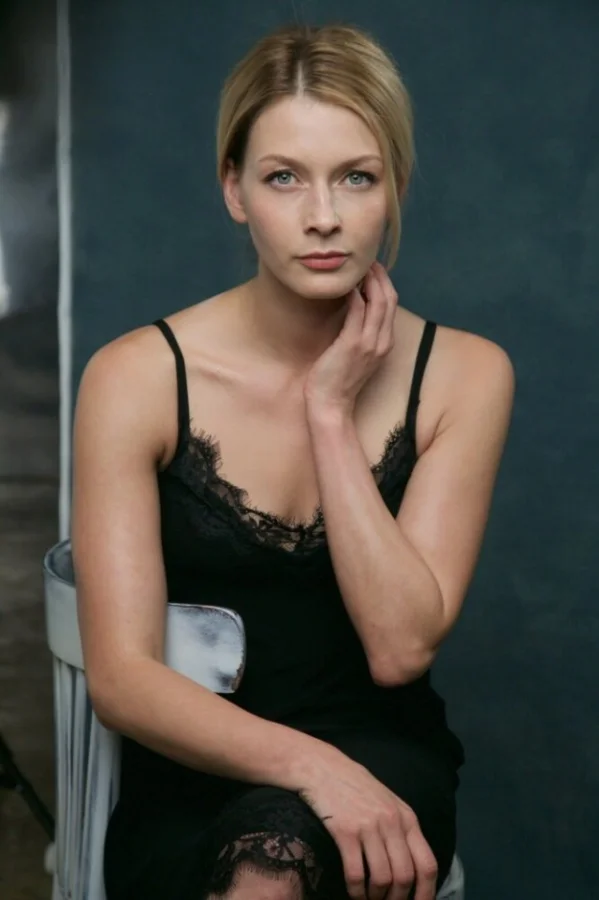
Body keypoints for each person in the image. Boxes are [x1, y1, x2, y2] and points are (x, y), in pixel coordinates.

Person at [71, 22, 515, 900]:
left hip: (382, 757)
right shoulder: (135, 377)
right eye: (284, 177)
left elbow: (398, 648)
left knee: (268, 868)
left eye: (356, 176)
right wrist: (313, 770)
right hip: (195, 764)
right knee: (258, 866)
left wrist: (329, 413)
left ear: (394, 187)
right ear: (233, 189)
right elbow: (121, 681)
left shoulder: (466, 374)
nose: (323, 216)